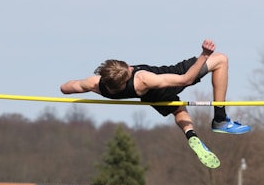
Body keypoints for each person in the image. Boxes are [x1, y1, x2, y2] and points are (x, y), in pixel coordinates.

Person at [60, 39, 250, 169]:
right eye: (129, 70)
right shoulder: (143, 78)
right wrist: (204, 55)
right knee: (221, 60)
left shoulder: (97, 85)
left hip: (150, 98)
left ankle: (191, 135)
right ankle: (220, 120)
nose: (132, 67)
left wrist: (75, 86)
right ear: (128, 75)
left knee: (179, 111)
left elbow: (66, 88)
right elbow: (185, 79)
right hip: (164, 81)